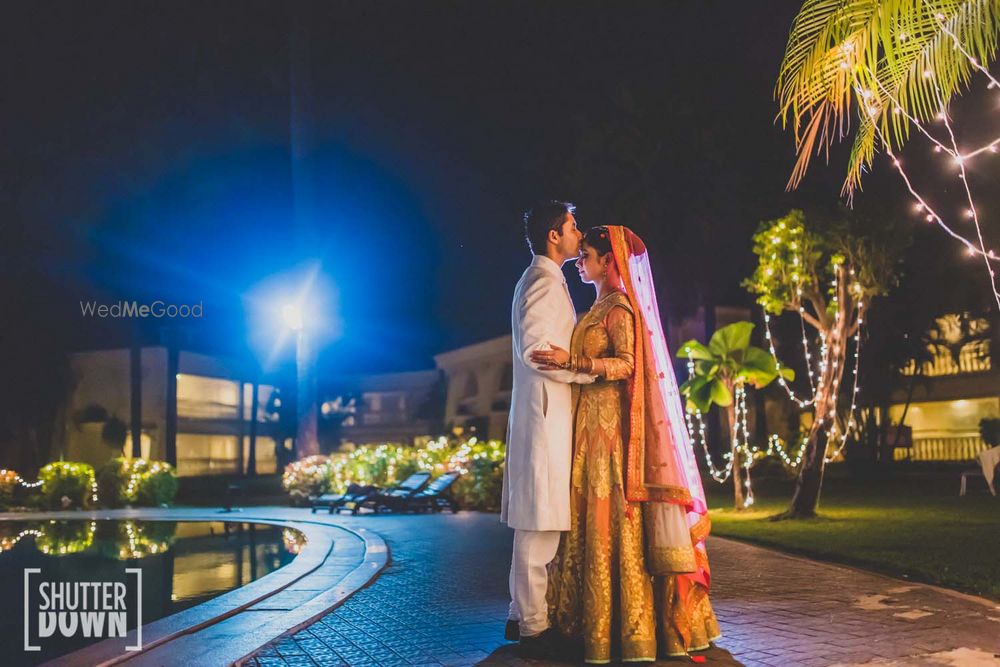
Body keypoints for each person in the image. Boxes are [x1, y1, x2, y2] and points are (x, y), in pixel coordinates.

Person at [531, 225, 721, 663]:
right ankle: (590, 622)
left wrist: (574, 361)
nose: (580, 262)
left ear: (608, 261)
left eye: (587, 257)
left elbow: (627, 364)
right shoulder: (596, 307)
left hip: (612, 434)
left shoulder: (619, 308)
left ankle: (633, 627)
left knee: (613, 518)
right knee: (588, 520)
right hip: (588, 429)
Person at [501, 200, 595, 657]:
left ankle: (523, 618)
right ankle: (534, 627)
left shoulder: (546, 280)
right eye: (574, 227)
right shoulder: (541, 281)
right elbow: (539, 351)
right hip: (544, 418)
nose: (580, 235)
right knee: (539, 527)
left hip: (548, 416)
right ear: (553, 236)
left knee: (538, 525)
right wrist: (584, 371)